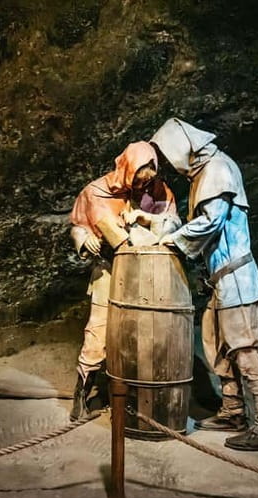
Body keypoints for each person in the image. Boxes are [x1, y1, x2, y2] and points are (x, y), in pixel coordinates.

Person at [131, 118, 258, 451]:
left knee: (244, 351)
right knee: (217, 348)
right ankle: (233, 412)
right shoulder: (205, 172)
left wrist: (172, 240)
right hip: (220, 281)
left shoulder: (217, 169)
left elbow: (211, 222)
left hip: (237, 279)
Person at [68, 141, 176, 420]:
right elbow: (78, 224)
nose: (142, 188)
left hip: (147, 277)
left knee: (139, 339)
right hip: (108, 271)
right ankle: (82, 394)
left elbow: (173, 225)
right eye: (138, 182)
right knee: (98, 334)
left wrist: (148, 220)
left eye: (146, 183)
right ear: (127, 170)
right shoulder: (95, 192)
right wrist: (85, 239)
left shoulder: (161, 192)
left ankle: (133, 401)